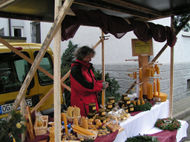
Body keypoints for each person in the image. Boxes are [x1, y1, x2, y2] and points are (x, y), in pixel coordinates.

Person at [70, 46, 108, 116]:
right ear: (82, 56)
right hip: (82, 103)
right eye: (89, 57)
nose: (90, 59)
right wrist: (100, 86)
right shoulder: (76, 69)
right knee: (84, 123)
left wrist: (101, 83)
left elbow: (92, 82)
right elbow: (84, 86)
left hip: (90, 102)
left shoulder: (86, 67)